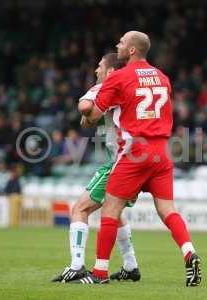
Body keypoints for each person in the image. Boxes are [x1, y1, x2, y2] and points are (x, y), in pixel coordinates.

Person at [75, 31, 201, 286]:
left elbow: (94, 114)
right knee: (167, 209)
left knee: (111, 210)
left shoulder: (119, 77)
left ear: (131, 50)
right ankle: (189, 251)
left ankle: (99, 273)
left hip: (134, 151)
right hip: (162, 152)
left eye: (121, 42)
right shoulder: (162, 77)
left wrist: (86, 110)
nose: (117, 45)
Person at [52, 53, 140, 283]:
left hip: (119, 163)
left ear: (111, 72)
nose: (96, 70)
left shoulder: (106, 87)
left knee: (79, 209)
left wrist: (91, 103)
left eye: (100, 66)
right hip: (135, 159)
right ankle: (130, 265)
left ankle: (77, 265)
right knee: (114, 211)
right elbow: (89, 118)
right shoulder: (127, 89)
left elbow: (84, 109)